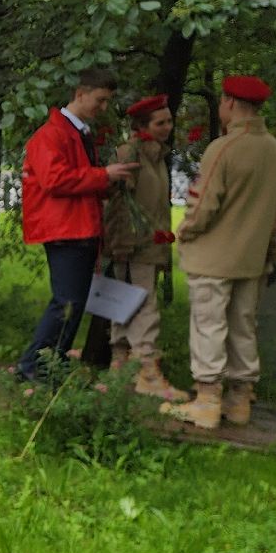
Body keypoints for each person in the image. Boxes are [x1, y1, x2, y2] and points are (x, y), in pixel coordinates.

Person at [163, 75, 276, 430]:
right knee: (243, 326)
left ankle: (206, 400)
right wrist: (262, 239)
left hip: (213, 258)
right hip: (253, 259)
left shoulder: (222, 148)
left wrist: (185, 231)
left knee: (209, 325)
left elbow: (202, 206)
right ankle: (239, 402)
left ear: (230, 104)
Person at [16, 68, 138, 381]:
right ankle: (34, 367)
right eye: (100, 100)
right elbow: (54, 180)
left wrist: (106, 183)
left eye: (107, 101)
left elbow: (74, 181)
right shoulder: (52, 135)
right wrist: (103, 176)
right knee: (66, 303)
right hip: (64, 229)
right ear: (80, 94)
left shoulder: (76, 133)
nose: (103, 108)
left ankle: (49, 365)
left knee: (72, 303)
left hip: (77, 227)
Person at [102, 93, 187, 401]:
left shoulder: (156, 156)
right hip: (134, 246)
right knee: (142, 304)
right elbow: (117, 205)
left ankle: (120, 367)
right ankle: (148, 372)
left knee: (128, 301)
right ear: (143, 125)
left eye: (169, 121)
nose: (167, 127)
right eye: (160, 122)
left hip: (148, 245)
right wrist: (120, 243)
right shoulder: (130, 154)